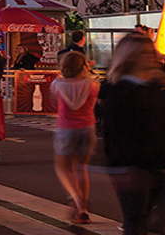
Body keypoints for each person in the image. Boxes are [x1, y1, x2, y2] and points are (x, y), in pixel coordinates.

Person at [97, 35, 165, 235]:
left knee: (159, 219)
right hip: (133, 165)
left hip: (160, 162)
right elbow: (114, 133)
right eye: (145, 53)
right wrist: (120, 165)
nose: (152, 57)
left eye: (152, 52)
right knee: (136, 220)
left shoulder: (156, 86)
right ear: (131, 57)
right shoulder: (120, 90)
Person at [51, 50, 97, 223]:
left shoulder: (58, 85)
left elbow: (53, 101)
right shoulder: (92, 85)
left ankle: (76, 198)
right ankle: (83, 210)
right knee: (81, 169)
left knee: (62, 167)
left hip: (66, 128)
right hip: (88, 127)